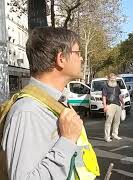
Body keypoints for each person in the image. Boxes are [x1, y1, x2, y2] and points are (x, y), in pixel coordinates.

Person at [1, 27, 94, 179]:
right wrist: (67, 140)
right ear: (61, 58)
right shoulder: (28, 111)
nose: (82, 58)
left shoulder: (53, 102)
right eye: (78, 53)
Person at [102, 73, 123, 142]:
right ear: (109, 79)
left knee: (117, 121)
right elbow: (104, 97)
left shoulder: (117, 86)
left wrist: (122, 103)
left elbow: (119, 96)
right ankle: (107, 137)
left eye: (114, 78)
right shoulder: (105, 86)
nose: (113, 80)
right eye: (112, 78)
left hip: (118, 105)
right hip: (109, 105)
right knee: (108, 122)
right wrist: (105, 106)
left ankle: (115, 134)